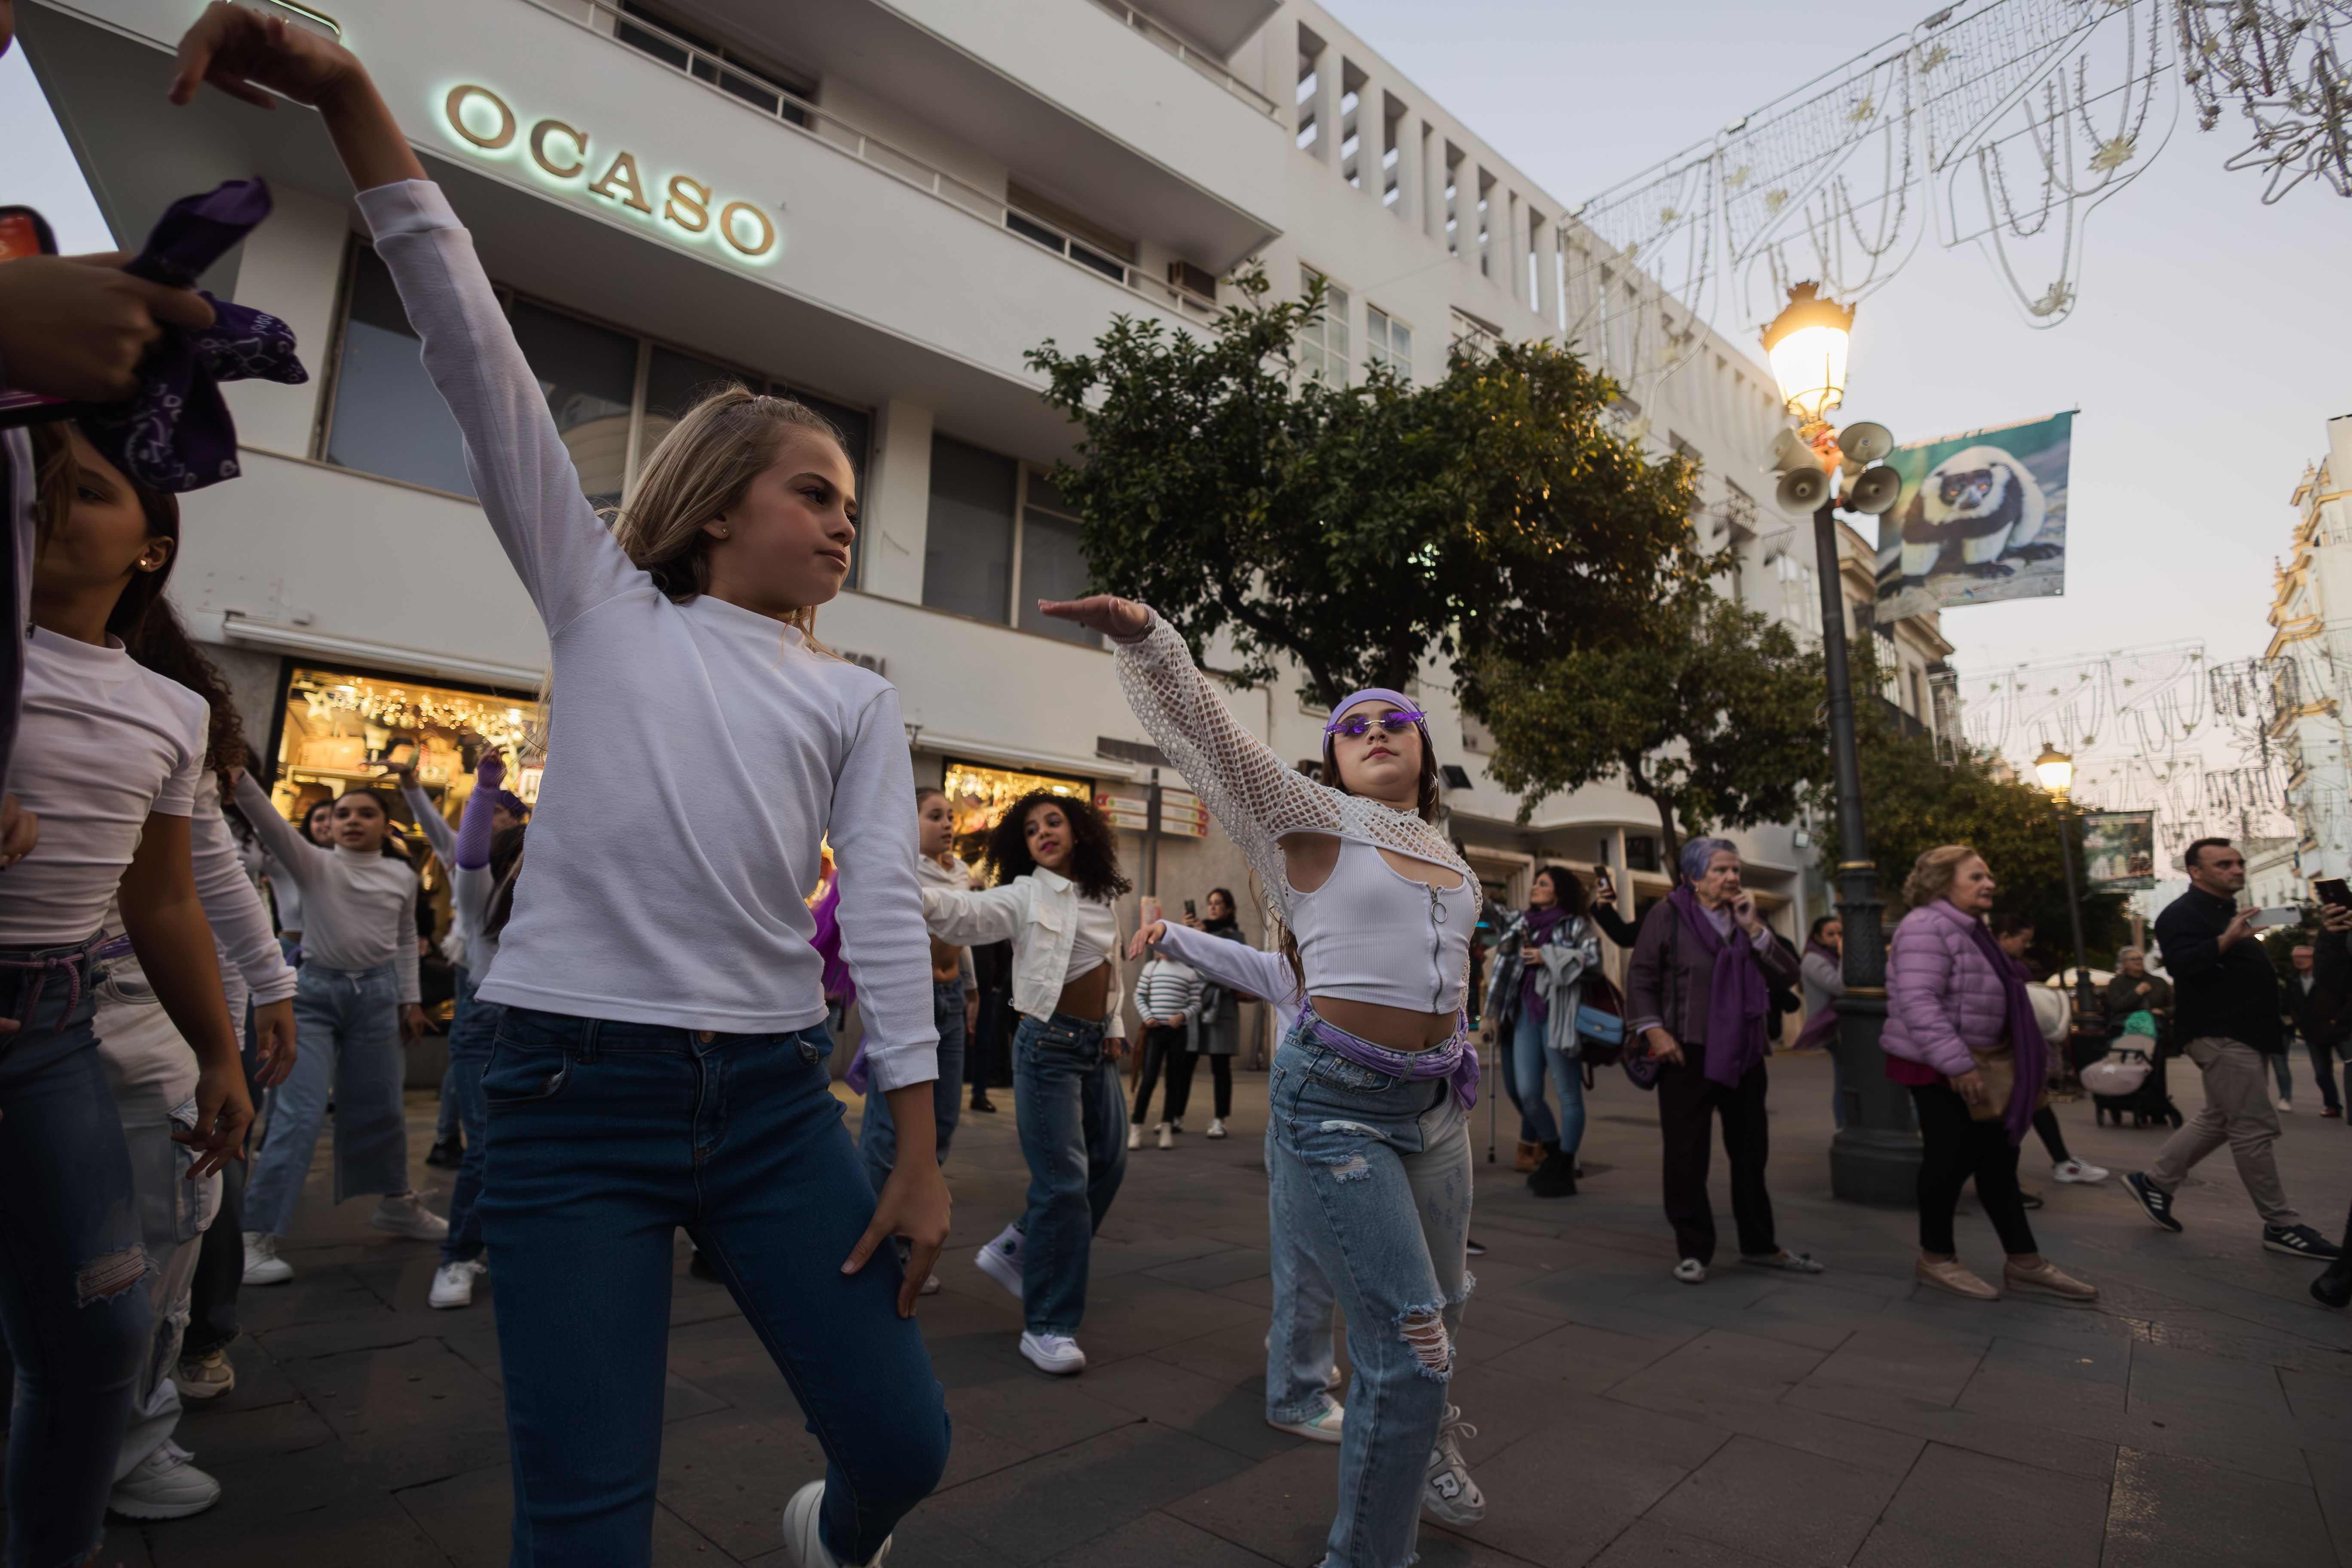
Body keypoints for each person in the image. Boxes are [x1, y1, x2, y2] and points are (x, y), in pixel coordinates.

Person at [167, 15, 952, 1567]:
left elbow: (878, 900)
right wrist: (346, 92)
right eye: (817, 490)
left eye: (852, 502)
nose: (844, 521)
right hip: (563, 1093)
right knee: (586, 1523)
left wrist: (918, 1146)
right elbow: (465, 340)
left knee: (905, 1441)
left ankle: (825, 1532)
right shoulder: (606, 604)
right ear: (724, 502)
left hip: (781, 1104)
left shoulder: (858, 694)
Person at [1046, 591, 1478, 1568]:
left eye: (1392, 721)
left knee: (1447, 1309)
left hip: (1436, 1105)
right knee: (1410, 1344)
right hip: (1335, 1110)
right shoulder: (1311, 817)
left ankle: (1423, 1439)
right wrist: (1149, 640)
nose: (1372, 731)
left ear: (1424, 755)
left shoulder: (1454, 861)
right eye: (1350, 726)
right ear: (1326, 760)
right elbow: (1210, 732)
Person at [3, 416, 254, 1568]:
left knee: (101, 1329)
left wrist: (222, 1049)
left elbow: (164, 901)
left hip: (54, 1023)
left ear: (152, 545)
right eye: (40, 479)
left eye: (89, 489)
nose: (56, 501)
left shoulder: (173, 709)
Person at [1132, 913, 1485, 1525]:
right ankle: (1295, 1392)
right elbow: (1238, 961)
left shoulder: (1396, 955)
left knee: (1392, 1284)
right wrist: (1172, 935)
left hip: (1414, 1123)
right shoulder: (1302, 972)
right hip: (1312, 1131)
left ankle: (1309, 1368)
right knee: (1305, 1266)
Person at [101, 584, 303, 1519]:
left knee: (170, 1227)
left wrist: (264, 995)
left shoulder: (169, 712)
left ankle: (133, 1433)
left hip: (153, 1024)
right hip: (65, 1014)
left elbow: (199, 884)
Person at [922, 790, 1131, 1375]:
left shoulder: (1101, 895)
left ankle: (1020, 1245)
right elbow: (967, 915)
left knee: (1110, 1163)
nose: (1043, 832)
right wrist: (907, 895)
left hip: (1095, 1048)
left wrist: (1113, 1024)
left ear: (1080, 831)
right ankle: (1048, 1326)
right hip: (1047, 1048)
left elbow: (1110, 971)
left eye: (1054, 822)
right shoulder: (1026, 893)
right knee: (1064, 1185)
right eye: (1033, 828)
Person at [231, 772, 443, 1277]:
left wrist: (411, 1001)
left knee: (384, 1108)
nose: (351, 821)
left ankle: (396, 1202)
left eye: (365, 813)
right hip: (313, 998)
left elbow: (408, 940)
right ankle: (254, 1233)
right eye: (343, 813)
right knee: (299, 1115)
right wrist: (237, 773)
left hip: (378, 999)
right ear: (330, 826)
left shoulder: (403, 876)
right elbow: (269, 822)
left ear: (385, 825)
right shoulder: (314, 863)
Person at [1883, 850, 2097, 1301]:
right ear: (1941, 883)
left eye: (1989, 874)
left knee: (2000, 1161)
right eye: (1976, 876)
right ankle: (1936, 1258)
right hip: (1941, 1065)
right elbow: (1919, 1001)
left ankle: (2025, 1262)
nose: (1990, 883)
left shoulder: (1969, 928)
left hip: (1978, 1060)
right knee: (1951, 1159)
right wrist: (1957, 1064)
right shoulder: (1926, 926)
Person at [2124, 838, 2341, 1258]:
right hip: (2220, 1032)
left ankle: (2154, 1181)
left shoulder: (2231, 912)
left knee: (2221, 1117)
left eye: (2239, 863)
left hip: (2248, 1031)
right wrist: (2227, 939)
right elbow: (2182, 965)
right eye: (2224, 864)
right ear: (2196, 871)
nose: (2237, 870)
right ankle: (2281, 1224)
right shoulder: (2180, 914)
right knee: (2254, 1126)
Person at [1628, 838, 1822, 1284]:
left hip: (1745, 1050)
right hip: (1686, 1048)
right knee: (1686, 1153)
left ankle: (1760, 1244)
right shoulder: (1667, 915)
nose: (1733, 878)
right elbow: (1641, 976)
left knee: (1752, 1151)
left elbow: (1789, 975)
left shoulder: (1746, 921)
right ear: (1693, 878)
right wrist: (1654, 1031)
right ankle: (1694, 1249)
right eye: (1720, 870)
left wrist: (1754, 930)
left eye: (1736, 870)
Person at [426, 750, 520, 1311]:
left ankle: (516, 1248)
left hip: (546, 1026)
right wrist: (485, 792)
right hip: (486, 1025)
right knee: (485, 1148)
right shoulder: (480, 896)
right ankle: (458, 1257)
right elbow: (467, 853)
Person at [858, 787, 972, 1245]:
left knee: (941, 1124)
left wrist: (975, 993)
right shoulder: (903, 869)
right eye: (934, 816)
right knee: (889, 1132)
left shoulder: (962, 871)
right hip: (913, 999)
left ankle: (911, 1235)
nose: (947, 824)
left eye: (950, 816)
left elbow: (962, 937)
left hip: (953, 996)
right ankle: (872, 1237)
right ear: (911, 823)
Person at [1484, 865, 1602, 1197]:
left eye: (1543, 883)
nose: (1535, 887)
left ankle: (1564, 1167)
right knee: (1528, 1094)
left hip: (1561, 1014)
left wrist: (1547, 956)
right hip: (1525, 1014)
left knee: (1568, 1095)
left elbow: (1594, 962)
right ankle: (1552, 1153)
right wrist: (1461, 866)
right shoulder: (1522, 923)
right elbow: (1489, 910)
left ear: (1558, 892)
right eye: (1535, 882)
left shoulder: (1577, 926)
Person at [1991, 915, 2107, 1184]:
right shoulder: (2000, 966)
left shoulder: (2011, 965)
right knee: (2014, 1113)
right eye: (2024, 940)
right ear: (2005, 937)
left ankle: (2060, 1162)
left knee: (2034, 1105)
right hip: (2007, 1051)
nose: (2027, 946)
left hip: (2018, 1048)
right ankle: (2005, 1179)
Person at [1129, 936, 1203, 1149]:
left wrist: (1183, 1015)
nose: (1163, 949)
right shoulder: (1151, 968)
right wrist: (1147, 1016)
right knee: (1149, 1079)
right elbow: (1139, 995)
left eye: (1167, 945)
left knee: (1174, 1081)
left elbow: (1197, 1002)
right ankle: (1136, 1127)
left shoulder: (1189, 972)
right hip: (1155, 1031)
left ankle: (1167, 1126)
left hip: (1177, 1032)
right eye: (1159, 945)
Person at [1185, 888, 1248, 1136]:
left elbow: (1230, 966)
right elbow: (1186, 964)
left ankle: (1220, 1119)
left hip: (1222, 1007)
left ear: (1229, 908)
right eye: (1209, 903)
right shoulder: (1200, 931)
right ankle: (1174, 1117)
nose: (1212, 907)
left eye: (1218, 903)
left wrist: (1204, 938)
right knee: (1185, 1063)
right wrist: (1189, 934)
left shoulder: (1235, 936)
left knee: (1220, 1066)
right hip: (1195, 1004)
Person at [2285, 941, 2350, 1119]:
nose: (2300, 961)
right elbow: (2292, 1004)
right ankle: (2332, 1106)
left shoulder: (2330, 976)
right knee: (2322, 1073)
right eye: (2296, 958)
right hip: (2313, 1033)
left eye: (2305, 957)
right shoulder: (2293, 980)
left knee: (2350, 1067)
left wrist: (2338, 1020)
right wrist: (2300, 1024)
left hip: (2341, 1030)